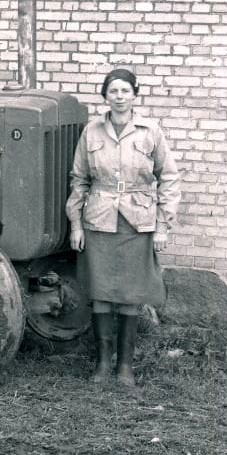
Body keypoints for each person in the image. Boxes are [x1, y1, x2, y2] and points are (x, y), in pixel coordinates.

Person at [66, 67, 181, 386]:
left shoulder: (150, 131)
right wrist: (75, 224)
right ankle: (103, 364)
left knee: (131, 294)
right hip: (100, 220)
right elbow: (79, 179)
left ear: (134, 95)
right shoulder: (92, 131)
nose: (119, 97)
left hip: (137, 221)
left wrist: (163, 225)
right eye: (113, 91)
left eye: (125, 91)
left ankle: (125, 367)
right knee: (101, 292)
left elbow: (169, 178)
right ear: (105, 96)